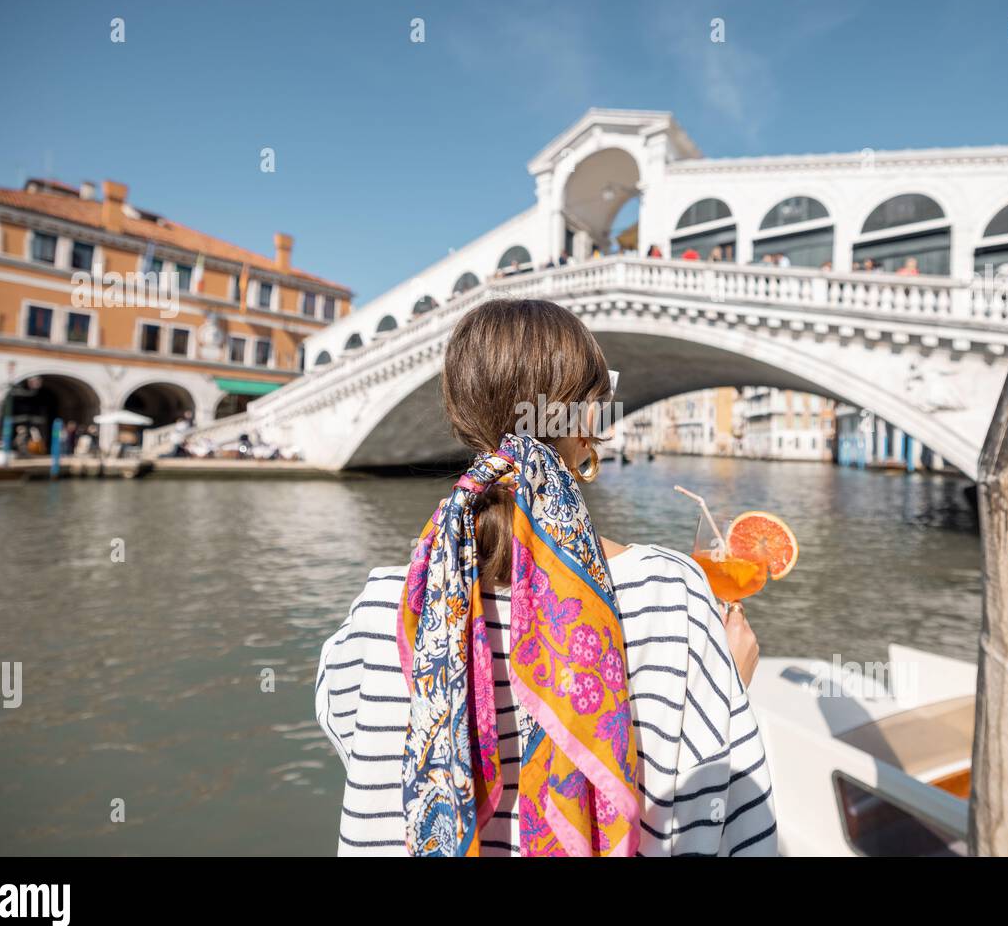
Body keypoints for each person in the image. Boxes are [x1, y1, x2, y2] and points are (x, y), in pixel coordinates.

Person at [316, 299, 777, 857]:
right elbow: (715, 808)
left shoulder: (386, 605)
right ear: (585, 426)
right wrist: (726, 679)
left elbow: (366, 749)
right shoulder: (671, 592)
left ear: (463, 420)